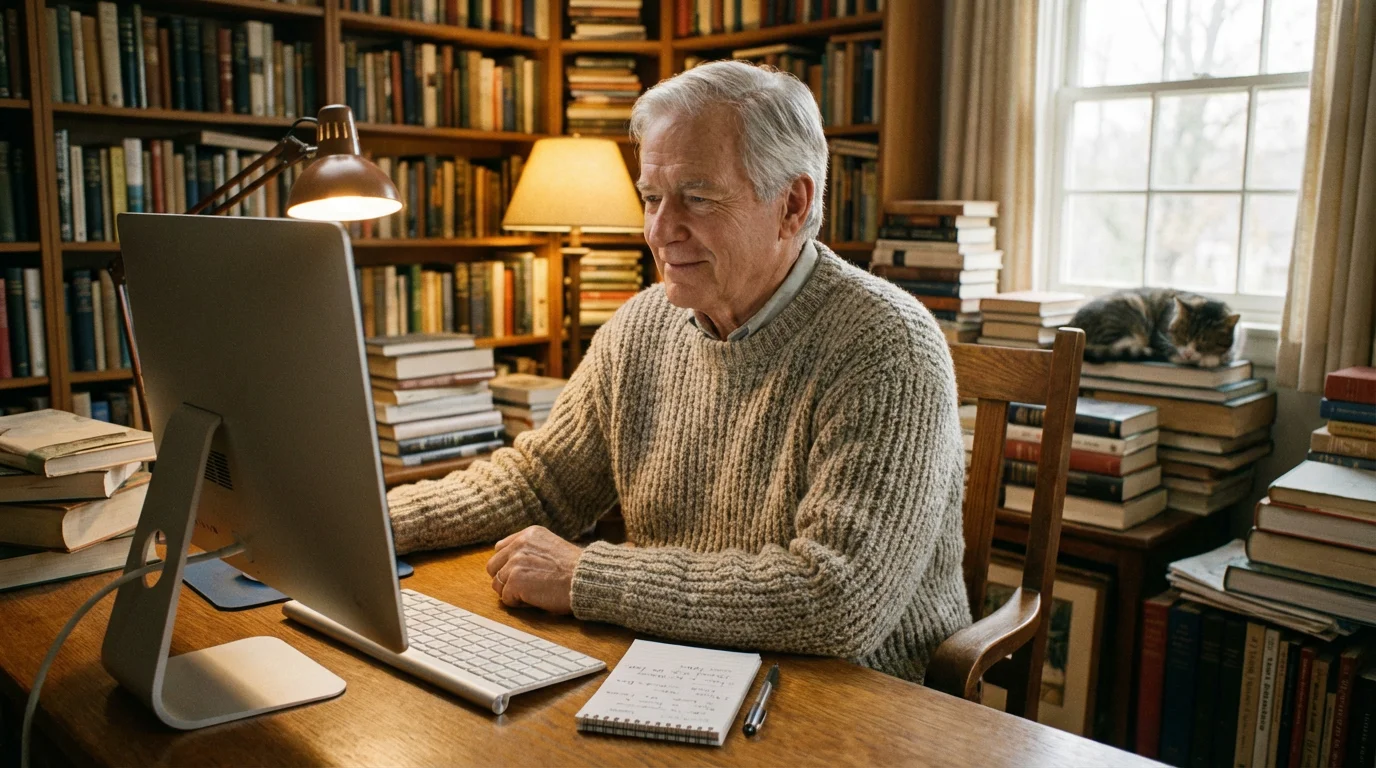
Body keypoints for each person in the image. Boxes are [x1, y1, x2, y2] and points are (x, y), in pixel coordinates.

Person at [386, 60, 970, 683]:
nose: (661, 232)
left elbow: (834, 600)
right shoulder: (642, 325)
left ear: (792, 204)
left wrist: (586, 576)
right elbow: (540, 483)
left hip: (852, 700)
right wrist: (374, 524)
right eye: (652, 198)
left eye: (697, 197)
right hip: (676, 667)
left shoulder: (889, 346)